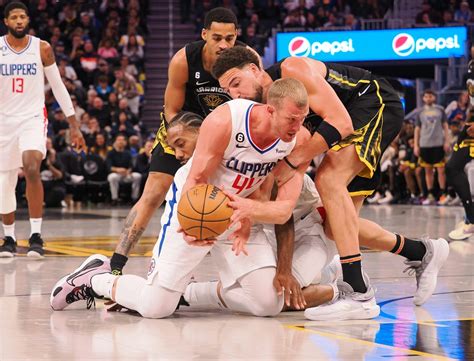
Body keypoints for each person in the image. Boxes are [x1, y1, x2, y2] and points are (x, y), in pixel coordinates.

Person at [211, 47, 449, 320]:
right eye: (228, 90)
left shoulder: (292, 70)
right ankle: (422, 251)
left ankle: (358, 293)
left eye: (236, 83)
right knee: (334, 227)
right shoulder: (265, 108)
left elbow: (341, 123)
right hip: (348, 123)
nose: (235, 94)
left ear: (254, 70)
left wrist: (291, 164)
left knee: (328, 179)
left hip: (373, 102)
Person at [50, 79, 311, 318]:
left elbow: (283, 209)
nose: (297, 127)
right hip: (197, 202)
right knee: (156, 309)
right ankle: (97, 279)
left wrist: (247, 218)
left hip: (240, 210)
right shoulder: (227, 120)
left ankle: (189, 294)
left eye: (303, 119)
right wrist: (189, 222)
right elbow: (196, 179)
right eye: (291, 119)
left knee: (268, 304)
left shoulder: (299, 140)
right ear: (269, 110)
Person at [108, 7, 257, 277]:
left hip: (226, 135)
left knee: (232, 196)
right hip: (184, 129)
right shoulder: (184, 60)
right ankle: (116, 265)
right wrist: (185, 142)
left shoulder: (248, 60)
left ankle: (231, 269)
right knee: (154, 192)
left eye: (229, 38)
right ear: (204, 35)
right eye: (216, 38)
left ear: (237, 36)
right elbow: (171, 110)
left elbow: (257, 105)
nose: (223, 45)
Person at [0, 2, 84, 258]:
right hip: (4, 121)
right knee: (5, 182)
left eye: (22, 16)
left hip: (33, 118)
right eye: (13, 17)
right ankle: (10, 237)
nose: (18, 20)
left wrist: (74, 124)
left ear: (27, 20)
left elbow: (58, 86)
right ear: (6, 22)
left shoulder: (42, 48)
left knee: (32, 167)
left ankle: (36, 234)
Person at [447, 60, 474, 240]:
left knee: (453, 167)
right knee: (452, 167)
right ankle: (470, 218)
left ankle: (471, 220)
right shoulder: (471, 67)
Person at [413, 89, 450, 205]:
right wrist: (416, 145)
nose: (428, 98)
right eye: (426, 96)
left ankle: (443, 194)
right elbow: (417, 129)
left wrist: (447, 142)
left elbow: (445, 126)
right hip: (425, 144)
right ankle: (430, 194)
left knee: (441, 170)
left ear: (434, 97)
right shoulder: (419, 112)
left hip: (438, 144)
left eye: (430, 96)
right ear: (423, 98)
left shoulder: (440, 110)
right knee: (428, 171)